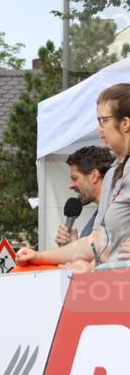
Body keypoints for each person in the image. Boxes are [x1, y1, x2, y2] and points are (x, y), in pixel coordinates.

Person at [19, 84, 130, 269]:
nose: (99, 129)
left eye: (104, 120)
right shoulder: (112, 173)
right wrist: (39, 256)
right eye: (98, 121)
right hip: (113, 288)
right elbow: (97, 240)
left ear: (125, 123)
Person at [55, 145, 115, 246]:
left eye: (75, 178)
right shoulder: (99, 212)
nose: (71, 185)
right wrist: (74, 244)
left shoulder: (117, 212)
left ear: (94, 176)